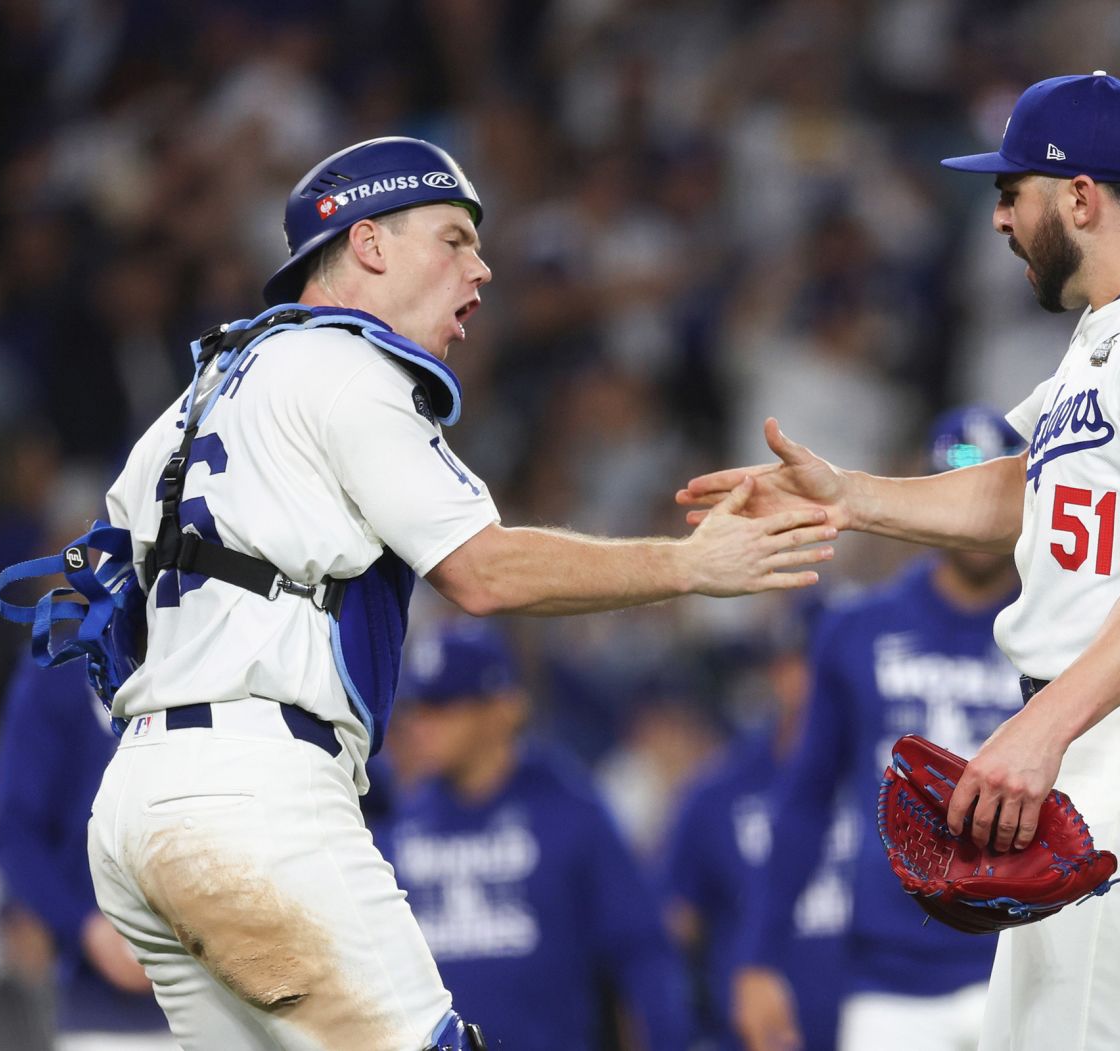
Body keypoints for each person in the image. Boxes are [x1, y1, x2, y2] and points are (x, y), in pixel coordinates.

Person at [76, 136, 835, 1051]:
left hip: (138, 797)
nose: (482, 267)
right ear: (368, 245)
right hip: (254, 789)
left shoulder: (192, 398)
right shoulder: (346, 369)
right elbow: (482, 571)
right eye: (453, 238)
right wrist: (688, 566)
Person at [680, 72, 1120, 1051]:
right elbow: (1021, 489)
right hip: (1099, 736)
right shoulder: (1116, 330)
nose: (999, 217)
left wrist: (1037, 729)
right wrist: (849, 497)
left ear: (1083, 197)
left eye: (1014, 192)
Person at [727, 407, 1027, 1051]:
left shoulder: (1063, 631)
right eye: (958, 487)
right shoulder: (857, 629)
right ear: (929, 494)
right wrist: (758, 957)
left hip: (1031, 964)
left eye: (994, 489)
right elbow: (804, 799)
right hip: (891, 976)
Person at [380, 619, 689, 1051]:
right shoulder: (402, 819)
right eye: (419, 707)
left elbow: (641, 954)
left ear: (503, 708)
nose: (421, 724)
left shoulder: (568, 809)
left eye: (445, 705)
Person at [662, 598, 856, 1051]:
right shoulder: (717, 793)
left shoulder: (887, 778)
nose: (802, 680)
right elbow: (671, 927)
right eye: (789, 664)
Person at [0, 654, 178, 1050]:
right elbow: (15, 832)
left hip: (236, 1000)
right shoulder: (62, 665)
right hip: (107, 1014)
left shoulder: (224, 643)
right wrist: (85, 928)